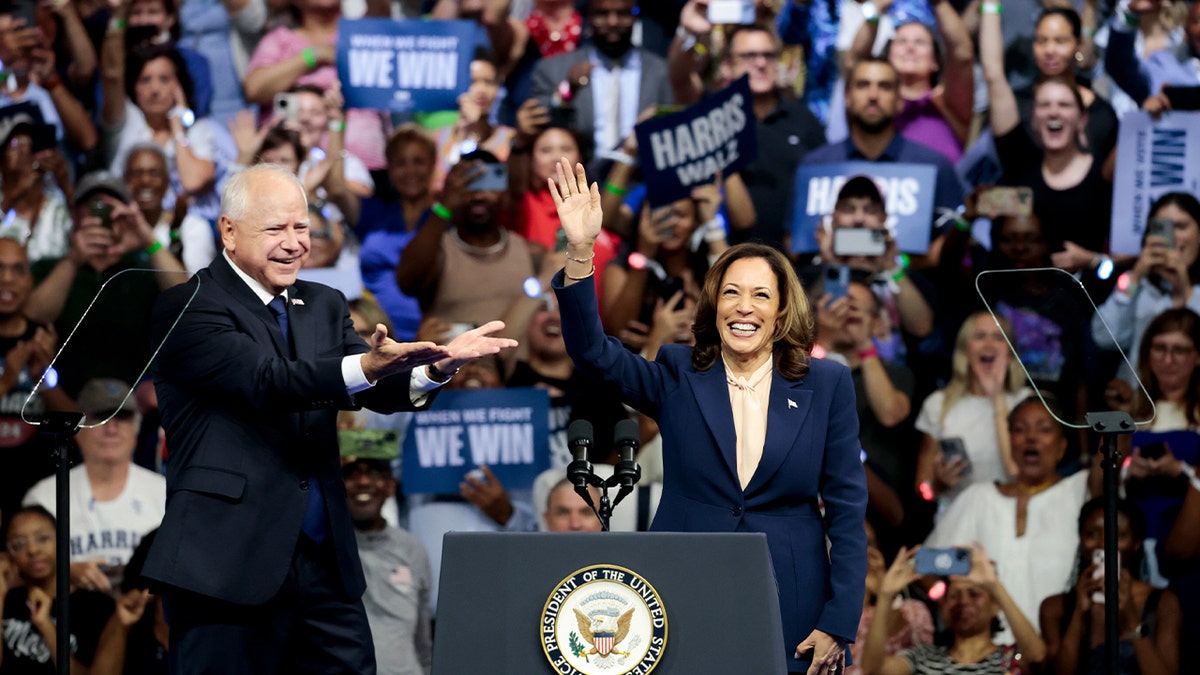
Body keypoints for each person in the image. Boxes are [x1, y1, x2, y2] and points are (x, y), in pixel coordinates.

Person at [140, 164, 517, 673]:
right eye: (276, 229)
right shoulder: (188, 306)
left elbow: (372, 388)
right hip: (225, 563)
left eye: (301, 227)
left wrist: (438, 368)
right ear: (228, 231)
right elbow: (268, 381)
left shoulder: (322, 303)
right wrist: (364, 365)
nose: (295, 243)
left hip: (324, 565)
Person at [549, 157, 868, 673]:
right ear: (714, 303)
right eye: (732, 293)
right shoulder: (677, 373)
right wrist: (582, 250)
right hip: (681, 591)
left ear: (782, 311)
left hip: (792, 605)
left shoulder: (825, 385)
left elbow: (848, 513)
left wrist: (838, 621)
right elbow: (593, 354)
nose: (745, 307)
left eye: (761, 295)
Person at [924, 396, 1094, 641]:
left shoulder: (1079, 490)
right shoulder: (979, 497)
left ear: (1062, 445)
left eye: (1044, 429)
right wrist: (947, 598)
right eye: (1019, 430)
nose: (1031, 437)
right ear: (1009, 442)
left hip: (1058, 651)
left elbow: (1109, 466)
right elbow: (926, 564)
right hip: (988, 656)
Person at [981, 6, 1114, 270]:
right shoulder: (1023, 161)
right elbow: (993, 75)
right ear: (1032, 117)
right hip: (1016, 284)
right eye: (1042, 40)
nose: (1054, 113)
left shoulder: (1101, 169)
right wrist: (980, 205)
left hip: (1081, 293)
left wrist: (1095, 262)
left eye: (1064, 106)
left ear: (1082, 118)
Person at [23, 378, 166, 594]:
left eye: (122, 417)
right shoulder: (44, 497)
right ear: (78, 428)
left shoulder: (166, 493)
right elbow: (20, 572)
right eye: (100, 417)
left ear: (136, 428)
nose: (111, 429)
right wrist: (66, 573)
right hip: (69, 620)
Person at [1040, 497, 1182, 675]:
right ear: (1081, 541)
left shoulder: (1163, 603)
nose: (1104, 544)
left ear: (1136, 544)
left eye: (1117, 536)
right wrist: (1078, 614)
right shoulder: (1054, 608)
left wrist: (1131, 617)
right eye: (1092, 534)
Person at [860, 543, 1046, 674]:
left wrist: (994, 585)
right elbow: (873, 670)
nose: (963, 601)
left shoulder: (1009, 658)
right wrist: (885, 596)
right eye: (955, 595)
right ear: (944, 607)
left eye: (974, 594)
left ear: (995, 606)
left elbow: (1037, 657)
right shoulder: (923, 657)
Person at [913, 311, 1031, 513]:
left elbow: (1026, 474)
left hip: (1012, 517)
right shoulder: (938, 405)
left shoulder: (1028, 402)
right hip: (956, 518)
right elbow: (923, 489)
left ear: (1010, 351)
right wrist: (939, 485)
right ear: (965, 349)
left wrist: (997, 399)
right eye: (980, 336)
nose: (989, 345)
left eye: (998, 337)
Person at [843, 0, 974, 164]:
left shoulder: (947, 103)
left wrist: (939, 3)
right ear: (888, 56)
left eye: (920, 42)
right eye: (901, 42)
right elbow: (853, 62)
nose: (910, 48)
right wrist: (875, 10)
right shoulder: (873, 101)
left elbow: (962, 55)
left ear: (935, 61)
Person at [1093, 193, 1200, 385]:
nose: (1172, 237)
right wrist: (1135, 275)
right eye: (1163, 228)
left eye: (1181, 227)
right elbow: (1103, 338)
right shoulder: (1138, 285)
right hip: (1139, 405)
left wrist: (1184, 289)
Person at [343, 454, 433, 675]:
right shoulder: (325, 548)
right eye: (351, 474)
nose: (363, 482)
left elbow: (423, 639)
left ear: (391, 486)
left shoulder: (412, 548)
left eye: (374, 473)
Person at [1, 505, 116, 673]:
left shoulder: (97, 607)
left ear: (62, 538)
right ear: (9, 552)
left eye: (42, 538)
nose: (33, 550)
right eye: (19, 544)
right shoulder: (9, 599)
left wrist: (45, 624)